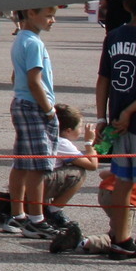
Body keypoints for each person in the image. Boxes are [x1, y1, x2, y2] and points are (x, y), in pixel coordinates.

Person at [96, 0, 136, 265]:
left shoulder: (114, 35)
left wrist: (101, 118)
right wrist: (131, 110)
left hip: (117, 122)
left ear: (126, 5)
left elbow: (103, 80)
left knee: (123, 182)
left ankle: (121, 240)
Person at [3, 7, 59, 237]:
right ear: (31, 13)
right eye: (48, 16)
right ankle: (36, 218)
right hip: (34, 106)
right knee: (38, 165)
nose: (52, 20)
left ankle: (17, 215)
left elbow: (16, 76)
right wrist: (48, 110)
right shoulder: (34, 43)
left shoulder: (21, 39)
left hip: (21, 102)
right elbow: (35, 81)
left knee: (22, 162)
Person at [39, 104, 98, 245]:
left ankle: (41, 207)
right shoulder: (62, 143)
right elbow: (92, 165)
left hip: (27, 183)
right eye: (80, 128)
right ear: (68, 130)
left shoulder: (43, 134)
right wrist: (89, 143)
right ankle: (54, 210)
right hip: (39, 184)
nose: (81, 131)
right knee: (79, 172)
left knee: (66, 165)